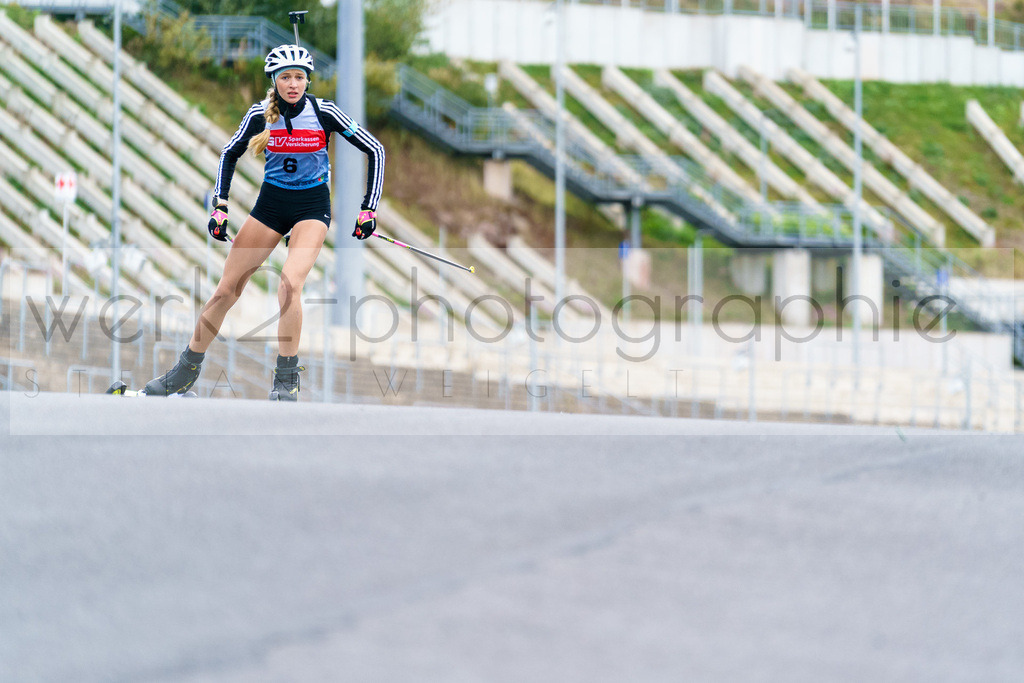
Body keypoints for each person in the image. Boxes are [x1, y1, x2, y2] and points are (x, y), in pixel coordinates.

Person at [144, 44, 385, 400]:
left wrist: (369, 209)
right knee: (227, 290)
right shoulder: (260, 114)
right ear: (274, 80)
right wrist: (220, 205)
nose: (293, 84)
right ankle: (185, 370)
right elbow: (230, 153)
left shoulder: (324, 111)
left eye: (299, 77)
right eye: (285, 77)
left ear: (307, 80)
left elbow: (374, 149)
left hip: (311, 207)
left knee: (289, 285)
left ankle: (286, 379)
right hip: (270, 206)